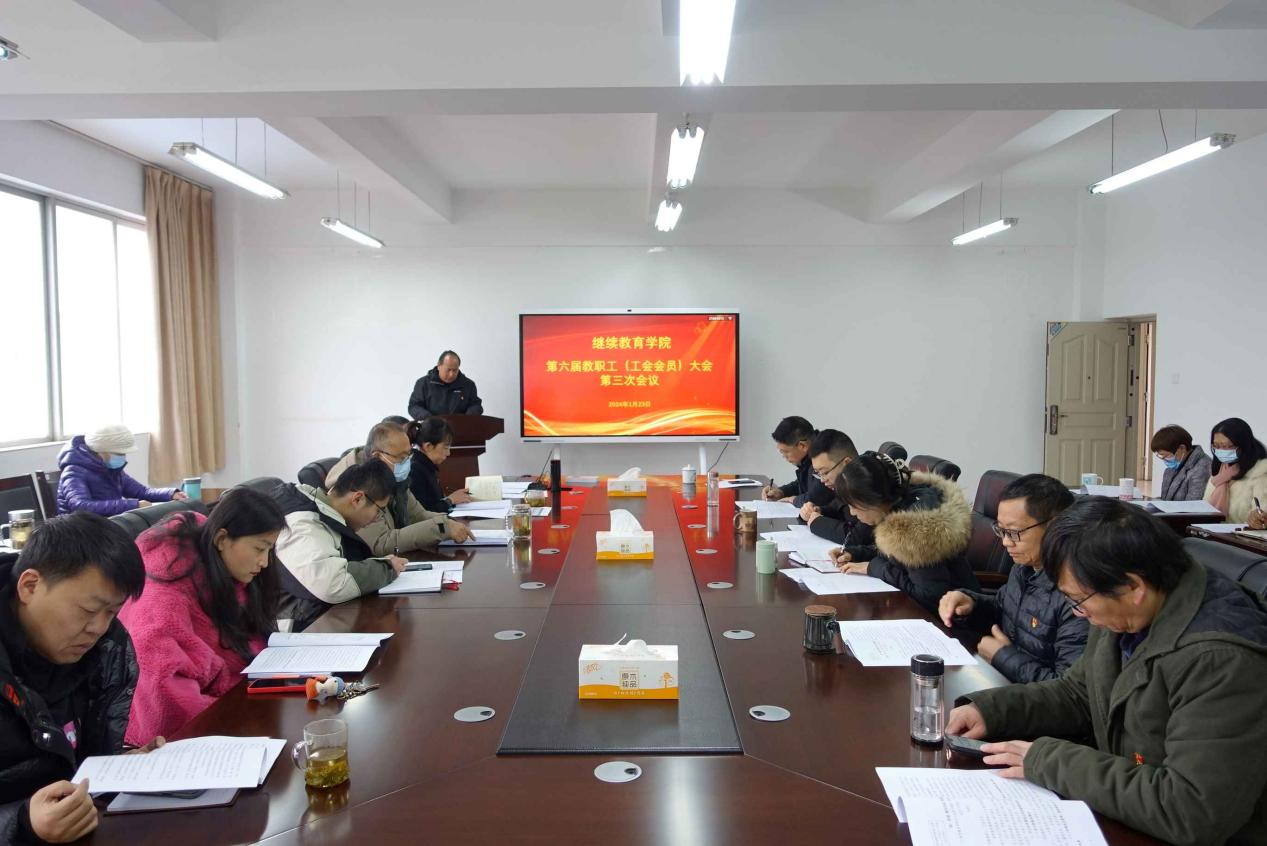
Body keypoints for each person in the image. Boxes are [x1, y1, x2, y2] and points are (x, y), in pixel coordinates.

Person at [946, 497, 1267, 845]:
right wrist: (991, 710)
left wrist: (1050, 761)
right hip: (1130, 814)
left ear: (1133, 587)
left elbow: (1191, 809)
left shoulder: (1220, 660)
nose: (1077, 613)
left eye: (1078, 601)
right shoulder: (1126, 606)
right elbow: (1080, 692)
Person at [0, 513, 157, 844]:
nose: (98, 628)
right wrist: (22, 823)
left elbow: (79, 762)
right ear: (30, 586)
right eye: (87, 610)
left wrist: (116, 768)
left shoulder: (102, 651)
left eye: (112, 612)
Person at [119, 488, 286, 745]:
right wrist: (241, 721)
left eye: (269, 550)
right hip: (182, 739)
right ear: (222, 539)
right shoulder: (161, 598)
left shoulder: (223, 568)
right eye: (259, 549)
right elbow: (166, 694)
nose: (264, 562)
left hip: (237, 701)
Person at [939, 474, 1088, 683]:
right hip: (1006, 682)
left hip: (1030, 696)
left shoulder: (1079, 594)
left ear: (1055, 526)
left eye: (1015, 532)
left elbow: (1067, 690)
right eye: (1001, 530)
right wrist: (970, 604)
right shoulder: (1023, 567)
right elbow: (1005, 610)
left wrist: (1003, 657)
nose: (1006, 542)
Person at [831, 451, 979, 612]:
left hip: (954, 618)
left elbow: (929, 597)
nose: (852, 513)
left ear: (874, 500)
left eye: (853, 506)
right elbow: (896, 557)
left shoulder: (915, 530)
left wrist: (874, 568)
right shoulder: (903, 507)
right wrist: (856, 553)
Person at [271, 461, 408, 630]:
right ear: (357, 499)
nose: (376, 518)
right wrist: (386, 568)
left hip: (319, 614)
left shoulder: (323, 512)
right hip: (297, 627)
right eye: (379, 511)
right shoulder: (303, 523)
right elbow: (330, 584)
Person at [325, 421, 472, 554]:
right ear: (377, 457)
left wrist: (448, 523)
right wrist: (441, 528)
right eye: (401, 458)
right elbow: (381, 543)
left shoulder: (395, 476)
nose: (407, 463)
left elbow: (418, 515)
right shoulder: (358, 484)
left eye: (408, 456)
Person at [56, 424, 187, 517]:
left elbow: (141, 492)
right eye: (119, 454)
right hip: (79, 533)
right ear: (100, 451)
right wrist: (133, 505)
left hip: (107, 525)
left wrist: (170, 494)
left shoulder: (112, 470)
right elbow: (81, 506)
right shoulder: (73, 472)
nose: (122, 458)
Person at [799, 430, 871, 551]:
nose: (822, 480)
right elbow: (836, 508)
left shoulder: (870, 484)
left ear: (847, 463)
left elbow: (858, 537)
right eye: (818, 473)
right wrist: (816, 511)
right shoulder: (844, 484)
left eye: (825, 472)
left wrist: (818, 523)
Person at [1203, 417, 1267, 525]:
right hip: (1213, 532)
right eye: (1216, 446)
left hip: (1243, 534)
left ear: (1243, 445)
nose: (1220, 451)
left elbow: (1262, 518)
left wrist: (1257, 519)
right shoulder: (1219, 473)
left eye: (1226, 446)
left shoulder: (1260, 474)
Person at [760, 416, 833, 508]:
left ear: (802, 446)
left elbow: (817, 497)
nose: (783, 456)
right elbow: (803, 484)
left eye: (785, 452)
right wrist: (781, 491)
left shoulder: (824, 457)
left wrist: (794, 500)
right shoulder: (809, 456)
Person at [407, 417, 474, 513]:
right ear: (428, 446)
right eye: (445, 448)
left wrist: (452, 499)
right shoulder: (415, 470)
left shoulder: (427, 465)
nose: (448, 453)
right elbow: (422, 514)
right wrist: (450, 500)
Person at [408, 350, 483, 418]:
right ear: (439, 366)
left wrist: (469, 416)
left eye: (455, 370)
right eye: (448, 370)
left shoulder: (468, 385)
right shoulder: (423, 383)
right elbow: (414, 406)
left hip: (459, 426)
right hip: (431, 425)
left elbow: (476, 405)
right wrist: (427, 417)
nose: (451, 374)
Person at [1150, 424, 1212, 502]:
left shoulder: (1202, 468)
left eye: (1166, 455)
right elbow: (1166, 500)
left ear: (1182, 448)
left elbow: (1193, 505)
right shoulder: (1175, 466)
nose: (1165, 459)